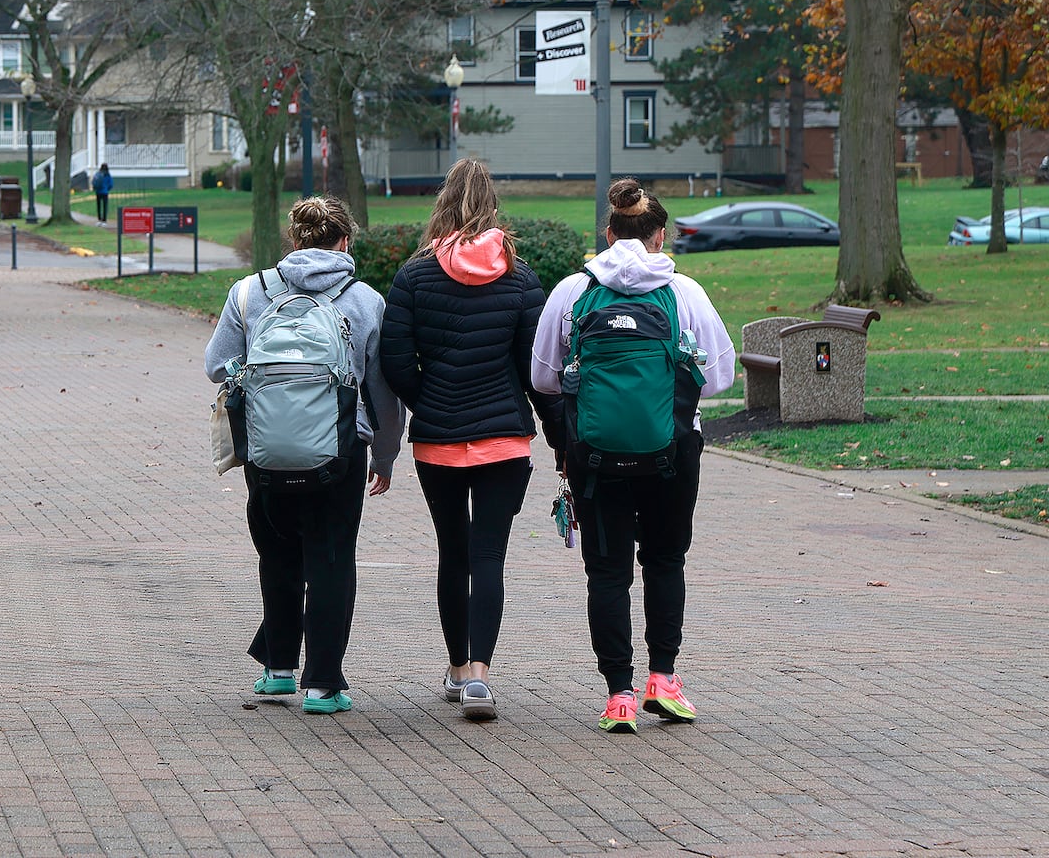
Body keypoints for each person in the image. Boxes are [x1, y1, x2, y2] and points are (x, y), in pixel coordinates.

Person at [531, 178, 734, 734]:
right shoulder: (685, 292)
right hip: (672, 451)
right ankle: (663, 679)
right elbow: (719, 376)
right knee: (665, 562)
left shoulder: (574, 291)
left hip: (594, 455)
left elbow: (543, 377)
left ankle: (617, 693)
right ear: (659, 237)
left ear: (609, 232)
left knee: (607, 573)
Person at [379, 159, 565, 722]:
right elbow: (539, 370)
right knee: (489, 554)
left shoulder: (413, 277)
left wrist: (427, 401)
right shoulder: (521, 277)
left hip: (438, 440)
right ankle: (481, 675)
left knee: (451, 551)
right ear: (493, 204)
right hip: (505, 439)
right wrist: (559, 438)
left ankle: (457, 667)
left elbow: (394, 360)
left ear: (441, 201)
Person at [204, 197, 405, 715]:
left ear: (294, 241)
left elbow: (216, 365)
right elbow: (382, 390)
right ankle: (322, 684)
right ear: (344, 241)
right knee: (332, 557)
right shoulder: (364, 300)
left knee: (277, 555)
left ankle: (276, 671)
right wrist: (385, 455)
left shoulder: (250, 292)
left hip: (266, 449)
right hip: (339, 450)